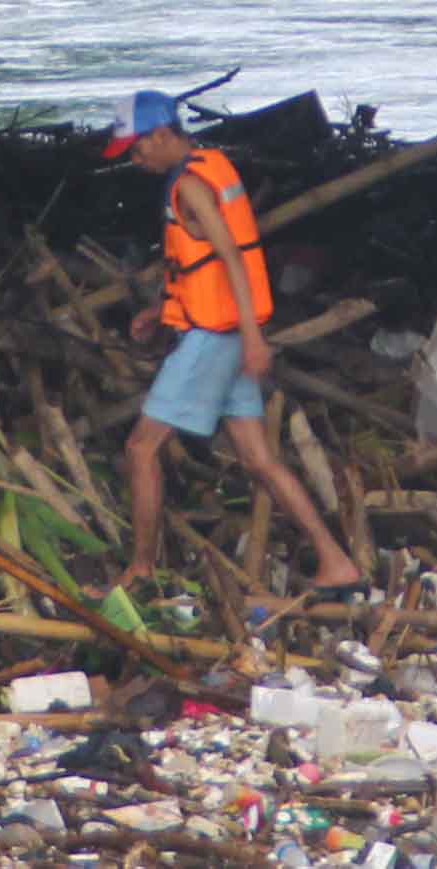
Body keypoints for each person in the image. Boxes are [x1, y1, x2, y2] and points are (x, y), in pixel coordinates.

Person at [102, 90, 362, 599]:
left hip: (215, 341)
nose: (136, 159)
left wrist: (252, 339)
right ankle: (337, 564)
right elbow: (207, 266)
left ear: (160, 136)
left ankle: (140, 572)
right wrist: (161, 310)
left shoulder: (192, 187)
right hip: (223, 335)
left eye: (136, 149)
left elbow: (233, 259)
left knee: (140, 448)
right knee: (259, 459)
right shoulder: (208, 167)